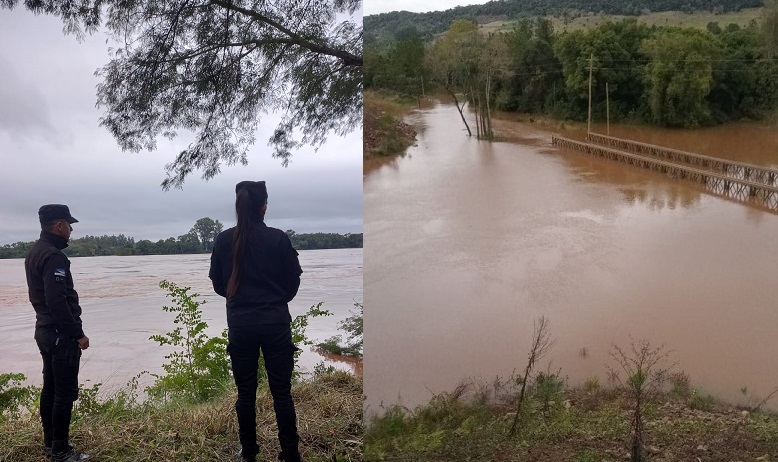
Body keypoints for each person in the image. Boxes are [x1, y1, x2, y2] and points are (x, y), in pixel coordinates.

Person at [209, 181, 304, 462]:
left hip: (241, 325)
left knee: (246, 393)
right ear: (263, 206)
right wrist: (276, 301)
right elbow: (293, 280)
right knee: (282, 393)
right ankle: (290, 453)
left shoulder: (224, 240)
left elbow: (217, 283)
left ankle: (249, 452)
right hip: (275, 324)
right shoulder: (278, 239)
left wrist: (238, 300)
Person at [24, 204, 90, 462]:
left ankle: (51, 444)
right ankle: (61, 451)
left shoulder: (35, 252)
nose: (71, 230)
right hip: (61, 333)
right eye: (69, 225)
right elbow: (57, 301)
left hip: (44, 330)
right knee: (64, 392)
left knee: (50, 389)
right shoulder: (53, 256)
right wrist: (78, 334)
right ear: (59, 225)